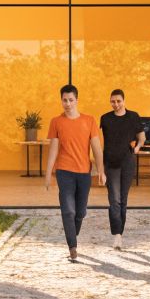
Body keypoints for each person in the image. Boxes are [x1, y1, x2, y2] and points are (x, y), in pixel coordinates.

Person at [45, 84, 105, 262]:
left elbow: (96, 148)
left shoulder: (89, 121)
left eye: (71, 100)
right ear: (61, 101)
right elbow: (53, 150)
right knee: (68, 211)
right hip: (64, 171)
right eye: (64, 100)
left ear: (77, 100)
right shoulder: (56, 122)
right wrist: (48, 173)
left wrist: (101, 170)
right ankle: (73, 247)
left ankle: (73, 236)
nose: (68, 103)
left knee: (80, 212)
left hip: (84, 173)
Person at [99, 89, 145, 250]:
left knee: (123, 200)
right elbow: (101, 142)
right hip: (110, 163)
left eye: (118, 101)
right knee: (114, 199)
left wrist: (137, 148)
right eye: (113, 101)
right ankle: (116, 234)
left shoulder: (133, 117)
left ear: (124, 101)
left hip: (127, 162)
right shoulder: (105, 119)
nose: (116, 104)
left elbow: (142, 137)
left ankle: (120, 234)